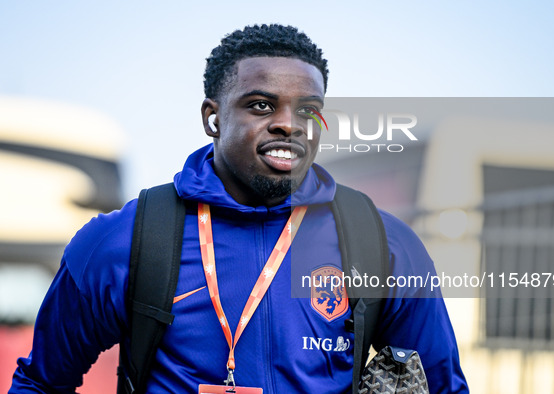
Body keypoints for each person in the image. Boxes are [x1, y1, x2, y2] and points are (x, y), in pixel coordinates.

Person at [10, 24, 468, 393]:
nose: (289, 124)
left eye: (309, 111)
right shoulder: (125, 239)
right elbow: (41, 383)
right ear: (213, 117)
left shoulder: (380, 243)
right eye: (262, 105)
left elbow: (441, 387)